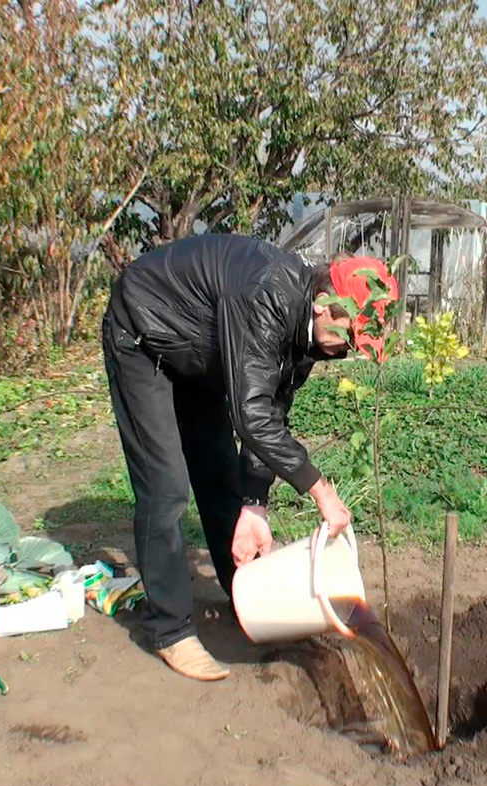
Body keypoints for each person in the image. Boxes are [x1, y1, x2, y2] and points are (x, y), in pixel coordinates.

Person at [101, 234, 398, 681]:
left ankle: (243, 594)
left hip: (199, 352)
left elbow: (272, 412)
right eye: (350, 336)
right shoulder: (267, 296)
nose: (348, 350)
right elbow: (252, 416)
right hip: (143, 332)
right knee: (165, 487)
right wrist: (320, 491)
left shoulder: (310, 337)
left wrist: (255, 504)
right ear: (323, 303)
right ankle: (170, 630)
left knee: (222, 475)